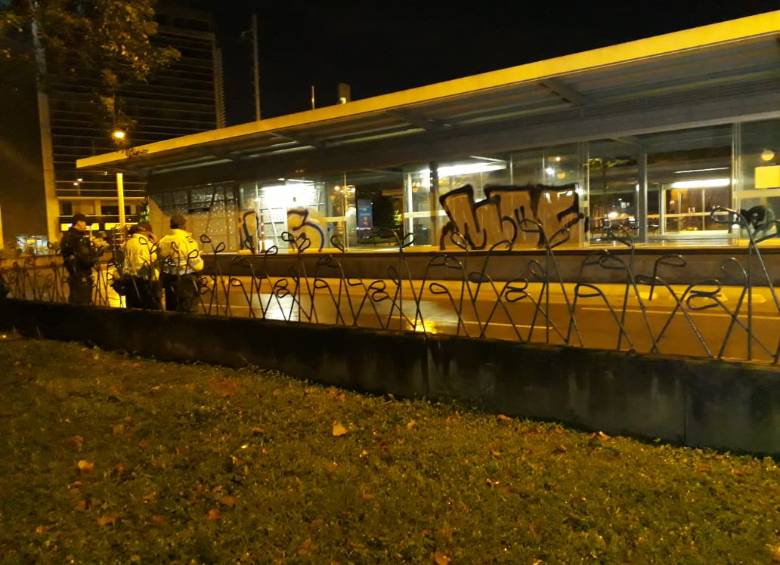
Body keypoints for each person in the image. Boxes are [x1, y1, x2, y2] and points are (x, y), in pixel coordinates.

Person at [157, 214, 203, 312]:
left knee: (172, 309)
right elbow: (196, 264)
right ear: (183, 225)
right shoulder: (187, 240)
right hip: (185, 281)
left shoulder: (163, 240)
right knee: (188, 311)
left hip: (169, 280)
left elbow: (159, 259)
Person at [60, 213, 99, 305]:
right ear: (79, 222)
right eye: (84, 222)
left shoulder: (67, 236)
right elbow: (86, 259)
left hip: (73, 275)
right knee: (83, 303)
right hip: (82, 276)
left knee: (75, 302)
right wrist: (97, 250)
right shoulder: (77, 238)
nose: (85, 224)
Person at [122, 222, 160, 310]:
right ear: (147, 232)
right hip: (146, 283)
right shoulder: (147, 244)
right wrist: (155, 244)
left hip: (130, 282)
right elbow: (155, 260)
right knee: (150, 311)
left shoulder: (127, 243)